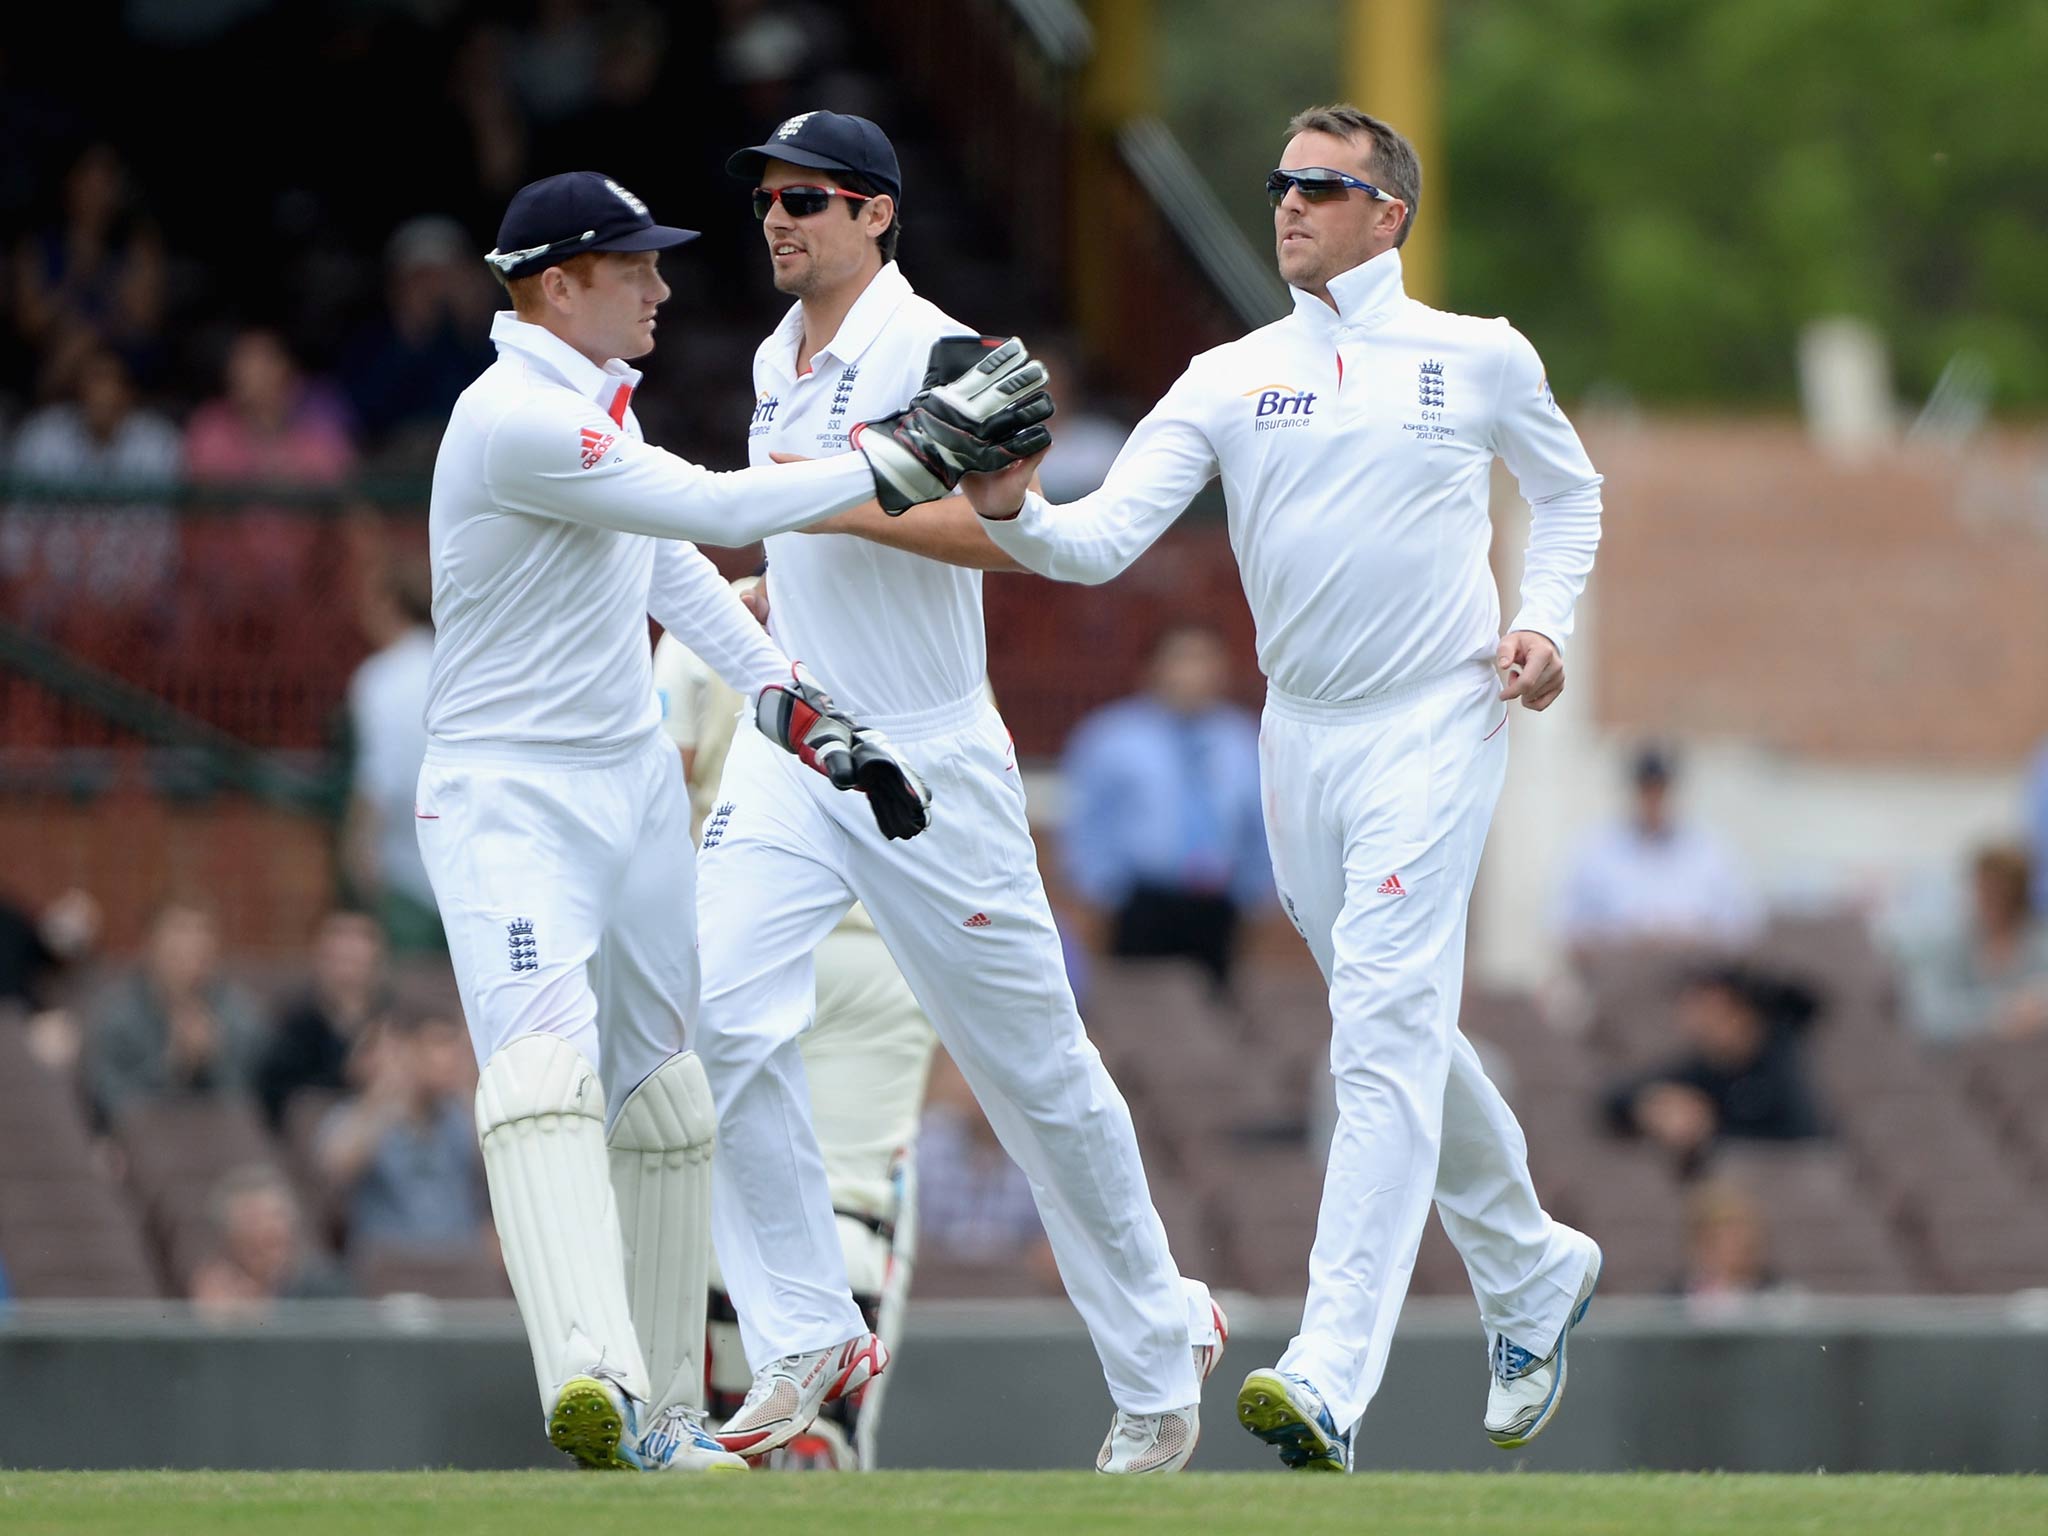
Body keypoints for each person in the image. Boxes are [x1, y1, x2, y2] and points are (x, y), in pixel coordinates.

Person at [926, 105, 1606, 1468]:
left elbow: (1572, 493)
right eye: (1281, 184)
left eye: (1320, 186)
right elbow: (1103, 538)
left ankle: (1329, 1375)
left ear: (1389, 213)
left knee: (1382, 1033)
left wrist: (1547, 626)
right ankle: (1529, 1262)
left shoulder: (1477, 357)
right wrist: (1011, 504)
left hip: (1441, 713)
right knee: (1389, 1014)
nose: (1287, 204)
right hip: (1299, 738)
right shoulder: (1229, 374)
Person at [415, 168, 1046, 1475]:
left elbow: (667, 566)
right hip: (507, 794)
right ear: (554, 285)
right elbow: (710, 508)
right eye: (632, 268)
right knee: (545, 1070)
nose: (661, 288)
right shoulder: (511, 418)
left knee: (669, 1105)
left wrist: (798, 710)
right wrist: (903, 456)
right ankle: (593, 1375)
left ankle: (661, 1425)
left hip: (634, 785)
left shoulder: (591, 403)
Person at [691, 112, 1221, 1476]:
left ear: (877, 214)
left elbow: (998, 534)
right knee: (721, 1015)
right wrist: (813, 501)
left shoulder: (941, 352)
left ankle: (1162, 1355)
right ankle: (805, 1324)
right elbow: (816, 509)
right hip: (800, 736)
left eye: (807, 198)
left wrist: (807, 496)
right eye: (767, 198)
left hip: (929, 757)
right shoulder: (774, 355)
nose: (778, 218)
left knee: (1036, 1076)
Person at [655, 611, 937, 1470]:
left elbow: (660, 793)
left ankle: (736, 1428)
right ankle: (822, 1448)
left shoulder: (711, 619)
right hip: (883, 936)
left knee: (728, 1189)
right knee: (855, 1197)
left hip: (743, 930)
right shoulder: (914, 617)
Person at [1060, 622, 1271, 988]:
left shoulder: (1242, 738)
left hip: (1220, 905)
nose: (1193, 672)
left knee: (1213, 1016)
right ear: (1154, 667)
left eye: (1204, 660)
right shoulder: (1112, 736)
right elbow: (1087, 822)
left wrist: (1256, 893)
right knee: (1145, 1012)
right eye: (1182, 659)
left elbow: (1260, 822)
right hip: (1140, 902)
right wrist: (1102, 892)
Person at [1604, 966, 1826, 1171]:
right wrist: (1651, 1106)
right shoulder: (1701, 1066)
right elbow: (1616, 1099)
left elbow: (1802, 1140)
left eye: (1712, 1008)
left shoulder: (1782, 1059)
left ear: (1741, 1010)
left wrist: (1710, 1131)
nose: (1701, 1021)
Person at [1558, 745, 1760, 953]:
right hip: (1618, 974)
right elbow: (1565, 925)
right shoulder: (1596, 850)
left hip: (1690, 974)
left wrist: (1689, 938)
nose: (1654, 800)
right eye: (1647, 790)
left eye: (1660, 790)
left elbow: (1741, 925)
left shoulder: (1708, 851)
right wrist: (1623, 939)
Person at [340, 556, 443, 952]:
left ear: (388, 604)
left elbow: (377, 778)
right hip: (467, 855)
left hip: (403, 872)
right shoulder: (453, 663)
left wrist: (358, 848)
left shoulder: (378, 679)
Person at [86, 899, 264, 1126]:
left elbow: (257, 1105)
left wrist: (211, 1064)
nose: (191, 949)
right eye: (178, 940)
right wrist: (173, 1068)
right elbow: (108, 1103)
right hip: (144, 1145)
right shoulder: (115, 1015)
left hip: (221, 1141)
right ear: (150, 945)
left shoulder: (240, 1013)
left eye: (201, 942)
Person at [255, 909, 393, 1130]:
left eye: (357, 957)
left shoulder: (395, 1020)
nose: (349, 965)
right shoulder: (293, 1025)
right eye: (340, 956)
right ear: (319, 956)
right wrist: (349, 1075)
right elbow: (279, 1097)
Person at [1897, 844, 2048, 1046]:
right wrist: (2001, 1012)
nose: (1991, 899)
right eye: (1984, 889)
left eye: (2001, 891)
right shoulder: (1950, 944)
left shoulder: (2039, 944)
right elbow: (1930, 1016)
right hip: (1964, 1066)